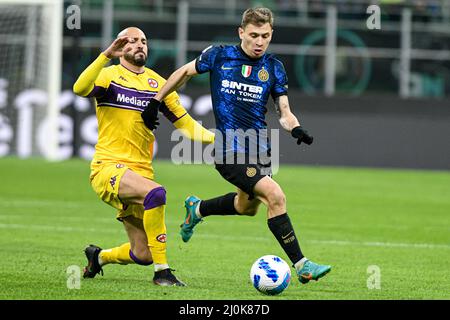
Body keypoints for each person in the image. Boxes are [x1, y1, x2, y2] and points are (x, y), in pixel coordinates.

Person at [141, 8, 331, 285]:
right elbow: (183, 72)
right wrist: (156, 101)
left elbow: (285, 112)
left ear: (271, 35)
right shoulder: (219, 55)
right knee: (275, 196)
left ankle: (198, 209)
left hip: (259, 148)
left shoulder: (274, 67)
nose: (259, 41)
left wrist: (296, 128)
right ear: (241, 32)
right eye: (253, 35)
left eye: (265, 36)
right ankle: (302, 264)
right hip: (228, 149)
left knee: (246, 207)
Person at [73, 27, 214, 286]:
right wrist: (106, 55)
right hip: (108, 167)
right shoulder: (109, 76)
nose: (140, 45)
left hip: (140, 173)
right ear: (121, 48)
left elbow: (187, 125)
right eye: (133, 41)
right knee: (156, 193)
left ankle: (99, 257)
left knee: (143, 253)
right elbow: (80, 88)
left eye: (144, 41)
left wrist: (220, 139)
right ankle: (163, 273)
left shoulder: (159, 84)